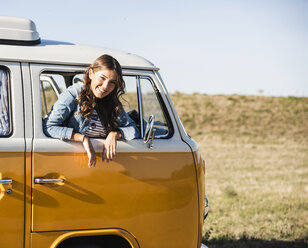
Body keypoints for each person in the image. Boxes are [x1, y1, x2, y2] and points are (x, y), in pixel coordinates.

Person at [43, 54, 140, 167]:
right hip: (72, 164)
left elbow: (134, 130)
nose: (105, 86)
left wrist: (115, 134)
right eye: (102, 78)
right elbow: (48, 127)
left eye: (112, 82)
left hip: (105, 166)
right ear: (91, 73)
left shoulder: (112, 102)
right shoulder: (74, 94)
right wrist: (82, 138)